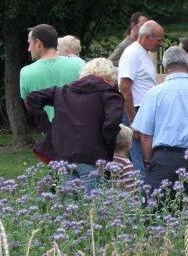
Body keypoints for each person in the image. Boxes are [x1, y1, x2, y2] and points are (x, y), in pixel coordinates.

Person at [131, 46, 188, 207]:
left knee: (155, 215)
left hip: (163, 159)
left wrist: (150, 162)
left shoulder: (154, 93)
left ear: (164, 67)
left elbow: (145, 135)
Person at [24, 57, 124, 191]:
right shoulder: (110, 95)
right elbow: (111, 124)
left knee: (69, 207)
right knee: (92, 207)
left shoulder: (64, 91)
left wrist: (48, 128)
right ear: (110, 77)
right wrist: (106, 145)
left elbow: (32, 98)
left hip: (63, 156)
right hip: (92, 157)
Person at [118, 19, 165, 177]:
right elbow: (124, 87)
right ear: (146, 37)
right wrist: (133, 121)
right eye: (158, 40)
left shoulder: (142, 53)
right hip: (136, 111)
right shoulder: (132, 54)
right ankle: (143, 194)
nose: (160, 44)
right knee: (140, 159)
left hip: (143, 111)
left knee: (146, 155)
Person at [19, 24, 83, 122]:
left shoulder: (26, 72)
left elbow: (30, 106)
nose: (28, 48)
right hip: (79, 128)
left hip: (50, 131)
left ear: (38, 43)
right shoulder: (79, 64)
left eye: (29, 43)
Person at [108, 125, 140, 191]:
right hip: (123, 199)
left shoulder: (108, 161)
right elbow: (131, 187)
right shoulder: (126, 163)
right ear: (128, 144)